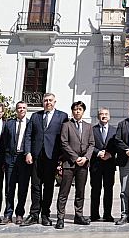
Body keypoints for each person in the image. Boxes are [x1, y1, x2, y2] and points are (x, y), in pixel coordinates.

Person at [21, 93, 68, 226]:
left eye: (50, 100)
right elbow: (28, 135)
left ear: (55, 102)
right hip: (36, 156)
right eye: (46, 100)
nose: (48, 103)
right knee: (35, 185)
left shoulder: (62, 116)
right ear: (43, 102)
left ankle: (45, 214)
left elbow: (64, 138)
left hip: (52, 156)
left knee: (48, 186)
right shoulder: (36, 116)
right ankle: (34, 214)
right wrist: (28, 153)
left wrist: (61, 158)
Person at [55, 101, 95, 229]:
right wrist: (75, 157)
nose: (77, 111)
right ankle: (60, 217)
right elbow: (64, 143)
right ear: (72, 111)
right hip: (69, 163)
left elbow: (92, 144)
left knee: (80, 191)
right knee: (64, 192)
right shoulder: (66, 125)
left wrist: (86, 158)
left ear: (83, 111)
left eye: (80, 109)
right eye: (75, 109)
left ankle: (79, 215)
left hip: (83, 164)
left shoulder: (88, 127)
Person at [0, 101, 31, 225]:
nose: (21, 110)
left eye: (24, 108)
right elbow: (4, 142)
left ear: (26, 110)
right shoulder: (9, 124)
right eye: (19, 108)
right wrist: (3, 160)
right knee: (9, 188)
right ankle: (8, 214)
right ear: (16, 109)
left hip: (23, 159)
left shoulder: (30, 123)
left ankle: (19, 214)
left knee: (22, 188)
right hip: (10, 159)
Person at [90, 107, 116, 222]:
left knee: (108, 190)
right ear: (98, 116)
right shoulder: (92, 130)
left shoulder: (114, 131)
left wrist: (111, 154)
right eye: (101, 114)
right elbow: (89, 144)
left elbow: (118, 145)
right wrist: (98, 152)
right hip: (96, 164)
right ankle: (94, 214)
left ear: (109, 116)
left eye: (106, 114)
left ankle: (107, 214)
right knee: (95, 189)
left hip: (109, 164)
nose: (104, 116)